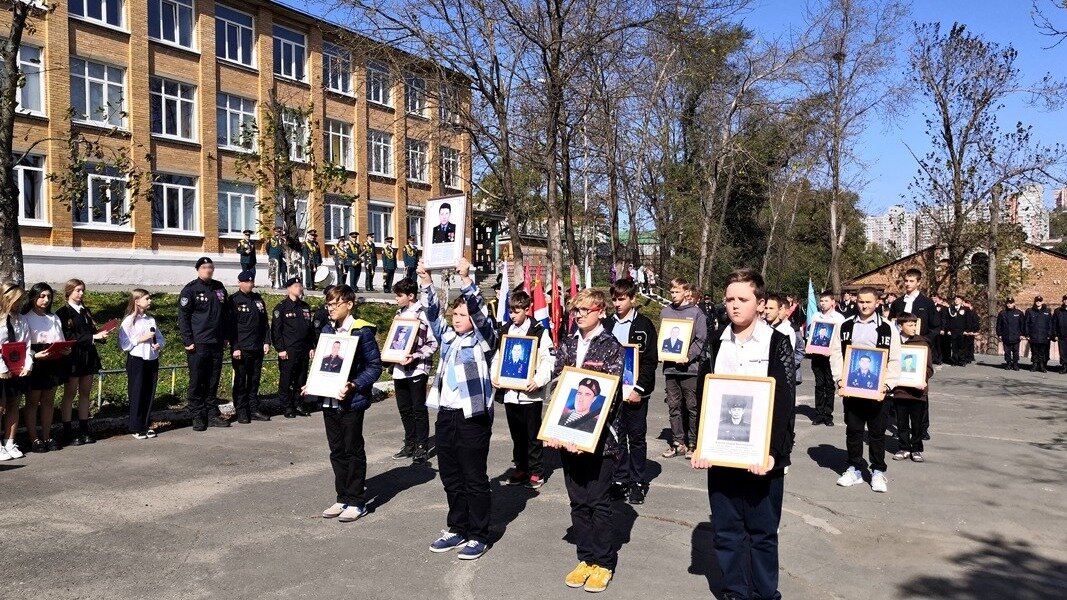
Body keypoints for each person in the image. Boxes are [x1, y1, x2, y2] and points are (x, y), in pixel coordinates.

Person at [692, 268, 796, 600]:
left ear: (760, 303)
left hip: (762, 458)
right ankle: (735, 591)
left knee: (763, 533)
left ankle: (765, 594)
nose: (734, 306)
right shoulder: (715, 343)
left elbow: (783, 404)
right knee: (726, 532)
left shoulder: (777, 342)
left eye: (743, 299)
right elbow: (703, 395)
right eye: (729, 299)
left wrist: (773, 454)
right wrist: (700, 443)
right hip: (722, 454)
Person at [545, 287, 624, 593]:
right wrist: (555, 430)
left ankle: (603, 562)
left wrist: (583, 434)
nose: (578, 315)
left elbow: (611, 396)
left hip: (600, 440)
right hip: (568, 437)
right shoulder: (567, 343)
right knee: (577, 500)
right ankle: (586, 558)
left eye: (584, 310)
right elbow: (557, 385)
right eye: (575, 310)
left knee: (598, 502)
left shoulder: (611, 347)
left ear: (600, 312)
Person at [421, 257, 498, 561]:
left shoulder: (484, 340)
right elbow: (430, 314)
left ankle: (479, 534)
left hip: (472, 416)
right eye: (455, 312)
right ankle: (457, 527)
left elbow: (481, 316)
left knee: (474, 476)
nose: (456, 317)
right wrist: (426, 281)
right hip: (446, 414)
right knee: (451, 475)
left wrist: (467, 279)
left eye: (462, 313)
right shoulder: (449, 337)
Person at [313, 284, 383, 524]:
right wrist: (311, 383)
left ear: (349, 304)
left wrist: (354, 384)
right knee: (337, 450)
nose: (330, 309)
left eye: (334, 304)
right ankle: (342, 496)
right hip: (328, 400)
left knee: (353, 450)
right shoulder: (326, 329)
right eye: (328, 304)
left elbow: (375, 366)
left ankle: (356, 501)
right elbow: (323, 365)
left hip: (350, 401)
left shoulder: (361, 331)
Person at [830, 286, 901, 493]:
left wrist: (888, 384)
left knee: (877, 433)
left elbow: (895, 359)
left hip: (879, 391)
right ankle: (854, 469)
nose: (864, 305)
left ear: (877, 302)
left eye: (869, 302)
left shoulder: (888, 328)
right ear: (856, 301)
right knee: (853, 430)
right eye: (861, 301)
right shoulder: (845, 326)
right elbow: (836, 354)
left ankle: (878, 471)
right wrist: (840, 379)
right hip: (852, 390)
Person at [491, 290, 554, 489]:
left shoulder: (539, 331)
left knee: (532, 435)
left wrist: (538, 380)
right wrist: (495, 376)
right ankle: (521, 468)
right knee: (517, 435)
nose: (512, 315)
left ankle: (536, 471)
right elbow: (498, 357)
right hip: (510, 393)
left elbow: (548, 359)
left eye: (516, 312)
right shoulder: (505, 331)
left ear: (527, 310)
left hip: (530, 394)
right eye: (510, 312)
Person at [602, 277, 657, 504]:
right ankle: (620, 479)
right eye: (614, 299)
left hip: (635, 393)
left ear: (633, 299)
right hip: (614, 392)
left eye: (622, 299)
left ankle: (637, 482)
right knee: (617, 437)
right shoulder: (607, 325)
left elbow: (650, 361)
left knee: (636, 438)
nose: (617, 303)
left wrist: (639, 389)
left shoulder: (644, 325)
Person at [388, 277, 438, 464]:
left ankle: (421, 446)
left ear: (410, 295)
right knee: (404, 408)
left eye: (399, 295)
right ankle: (409, 443)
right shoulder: (399, 313)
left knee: (418, 408)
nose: (396, 299)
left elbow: (433, 343)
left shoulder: (423, 314)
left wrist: (416, 355)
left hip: (417, 368)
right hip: (399, 367)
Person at [178, 258, 230, 431]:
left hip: (216, 342)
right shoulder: (190, 290)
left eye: (210, 267)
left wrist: (225, 336)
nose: (208, 270)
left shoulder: (219, 287)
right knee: (197, 380)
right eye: (204, 267)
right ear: (198, 270)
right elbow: (183, 317)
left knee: (213, 379)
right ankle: (197, 415)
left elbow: (224, 314)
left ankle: (211, 413)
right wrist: (188, 340)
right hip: (198, 343)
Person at [56, 279, 111, 445]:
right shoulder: (63, 312)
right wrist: (93, 337)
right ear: (69, 292)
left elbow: (91, 331)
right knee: (70, 393)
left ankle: (84, 428)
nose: (81, 294)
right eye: (78, 290)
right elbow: (68, 336)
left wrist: (101, 334)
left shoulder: (85, 310)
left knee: (85, 392)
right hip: (73, 356)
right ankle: (67, 430)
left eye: (82, 290)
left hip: (88, 355)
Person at [660, 277, 707, 459]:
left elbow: (700, 339)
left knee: (691, 406)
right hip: (671, 368)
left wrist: (688, 356)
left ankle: (693, 444)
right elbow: (663, 339)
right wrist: (661, 352)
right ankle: (678, 442)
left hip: (690, 368)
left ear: (686, 292)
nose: (673, 295)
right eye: (671, 291)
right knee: (673, 406)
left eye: (677, 291)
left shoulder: (696, 313)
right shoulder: (666, 312)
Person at [22, 283, 70, 452]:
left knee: (48, 401)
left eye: (48, 296)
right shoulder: (25, 317)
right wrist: (35, 355)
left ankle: (47, 435)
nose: (45, 300)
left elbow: (61, 338)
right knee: (33, 401)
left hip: (53, 360)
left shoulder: (54, 318)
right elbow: (23, 344)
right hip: (35, 361)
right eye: (42, 296)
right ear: (33, 297)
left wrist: (66, 349)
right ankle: (34, 439)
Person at [119, 289, 164, 439]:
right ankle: (136, 426)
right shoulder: (129, 321)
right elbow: (124, 344)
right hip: (137, 359)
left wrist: (158, 345)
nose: (150, 301)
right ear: (137, 301)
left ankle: (146, 424)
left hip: (151, 358)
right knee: (137, 392)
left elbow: (159, 337)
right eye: (147, 298)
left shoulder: (150, 319)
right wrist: (141, 338)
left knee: (148, 392)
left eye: (150, 298)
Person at [228, 271, 271, 424]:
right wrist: (235, 347)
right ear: (239, 283)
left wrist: (267, 341)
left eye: (251, 282)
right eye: (246, 282)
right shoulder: (234, 300)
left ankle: (253, 409)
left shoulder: (258, 299)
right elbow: (231, 327)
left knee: (254, 380)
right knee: (241, 381)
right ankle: (241, 411)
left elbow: (264, 323)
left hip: (257, 346)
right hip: (242, 348)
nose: (249, 284)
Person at [891, 313, 933, 463]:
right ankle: (903, 447)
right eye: (909, 325)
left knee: (917, 423)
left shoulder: (922, 343)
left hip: (917, 392)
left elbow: (929, 368)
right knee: (901, 422)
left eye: (914, 324)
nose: (913, 328)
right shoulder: (894, 343)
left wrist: (922, 379)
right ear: (900, 326)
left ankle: (916, 448)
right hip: (900, 391)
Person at [272, 277, 316, 418]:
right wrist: (280, 349)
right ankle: (287, 407)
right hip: (289, 350)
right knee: (287, 379)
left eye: (300, 285)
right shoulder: (281, 307)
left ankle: (298, 404)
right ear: (289, 288)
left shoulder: (305, 307)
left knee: (301, 379)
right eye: (297, 286)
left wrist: (311, 347)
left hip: (303, 349)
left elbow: (309, 330)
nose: (300, 288)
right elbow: (276, 331)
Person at [0, 282, 32, 461]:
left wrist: (28, 365)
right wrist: (2, 368)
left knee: (14, 405)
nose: (19, 304)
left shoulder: (21, 319)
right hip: (1, 370)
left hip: (17, 369)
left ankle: (9, 442)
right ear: (6, 299)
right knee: (0, 406)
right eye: (16, 301)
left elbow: (26, 344)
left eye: (21, 301)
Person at [809, 290, 845, 426]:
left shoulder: (839, 318)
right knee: (819, 385)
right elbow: (812, 335)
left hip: (833, 356)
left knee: (829, 385)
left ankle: (828, 415)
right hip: (817, 356)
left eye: (825, 301)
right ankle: (819, 413)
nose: (822, 303)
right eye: (821, 301)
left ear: (832, 302)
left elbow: (841, 338)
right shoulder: (816, 316)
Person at [1023, 296, 1053, 372]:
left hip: (1044, 336)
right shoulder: (1030, 311)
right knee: (1034, 352)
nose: (1038, 302)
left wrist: (1049, 335)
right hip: (1033, 336)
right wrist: (1027, 334)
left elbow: (1050, 324)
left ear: (1042, 302)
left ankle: (1042, 366)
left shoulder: (1047, 311)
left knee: (1042, 352)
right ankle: (1035, 365)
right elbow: (1026, 323)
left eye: (1040, 301)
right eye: (1037, 301)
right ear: (1035, 302)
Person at [996, 298, 1024, 370]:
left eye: (1011, 303)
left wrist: (1021, 334)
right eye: (1008, 303)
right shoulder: (1002, 313)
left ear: (1014, 304)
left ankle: (1015, 364)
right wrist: (999, 334)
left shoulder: (1019, 313)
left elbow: (1022, 325)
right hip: (1006, 335)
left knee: (1015, 351)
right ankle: (1008, 363)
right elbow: (999, 325)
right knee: (1007, 351)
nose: (1009, 304)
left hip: (1016, 336)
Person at [945, 295, 970, 366]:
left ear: (961, 301)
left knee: (962, 346)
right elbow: (948, 320)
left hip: (962, 330)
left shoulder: (965, 309)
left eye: (958, 299)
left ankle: (962, 361)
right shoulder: (951, 309)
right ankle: (954, 361)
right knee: (954, 346)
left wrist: (967, 330)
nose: (956, 301)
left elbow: (967, 320)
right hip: (953, 330)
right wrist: (948, 329)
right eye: (955, 299)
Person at [1054, 295, 1067, 374]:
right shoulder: (1058, 311)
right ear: (1062, 301)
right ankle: (1064, 367)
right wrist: (1055, 334)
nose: (1066, 301)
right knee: (1063, 353)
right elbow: (1054, 323)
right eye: (1065, 299)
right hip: (1061, 335)